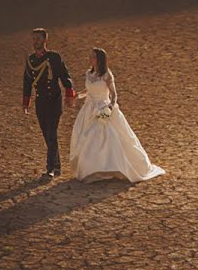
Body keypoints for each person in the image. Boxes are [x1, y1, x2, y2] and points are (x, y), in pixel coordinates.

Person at [69, 47, 165, 183]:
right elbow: (88, 90)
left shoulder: (107, 74)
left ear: (99, 60)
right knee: (87, 138)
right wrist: (77, 96)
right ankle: (92, 169)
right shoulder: (88, 74)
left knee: (106, 137)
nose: (90, 59)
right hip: (89, 110)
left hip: (103, 108)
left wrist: (109, 107)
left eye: (93, 57)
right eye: (90, 56)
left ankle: (110, 167)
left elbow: (114, 94)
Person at [22, 28, 76, 178]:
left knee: (52, 133)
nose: (35, 42)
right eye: (33, 39)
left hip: (54, 100)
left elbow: (65, 76)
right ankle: (57, 166)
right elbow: (27, 81)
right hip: (40, 101)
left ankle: (50, 169)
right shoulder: (31, 60)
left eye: (38, 39)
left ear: (45, 40)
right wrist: (26, 101)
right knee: (47, 135)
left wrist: (69, 93)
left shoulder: (54, 57)